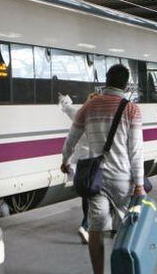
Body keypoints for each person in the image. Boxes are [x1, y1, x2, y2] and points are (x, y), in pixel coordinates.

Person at [61, 64, 145, 274]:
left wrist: (65, 160)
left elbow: (71, 140)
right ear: (126, 85)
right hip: (122, 178)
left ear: (106, 81)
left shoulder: (89, 106)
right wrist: (140, 184)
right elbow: (136, 151)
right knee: (124, 228)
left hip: (96, 178)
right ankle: (122, 269)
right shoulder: (132, 109)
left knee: (96, 227)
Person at [58, 92, 97, 244]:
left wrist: (63, 99)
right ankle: (87, 226)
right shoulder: (100, 119)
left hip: (80, 161)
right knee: (99, 193)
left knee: (86, 195)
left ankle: (86, 225)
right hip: (96, 162)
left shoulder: (79, 114)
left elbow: (66, 107)